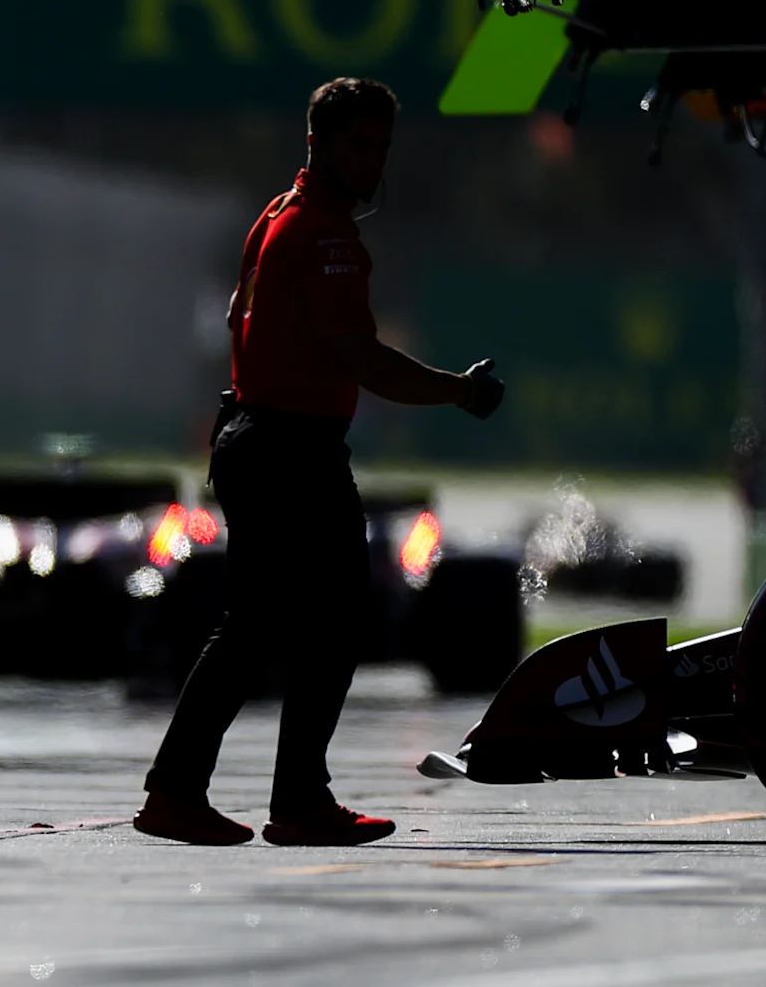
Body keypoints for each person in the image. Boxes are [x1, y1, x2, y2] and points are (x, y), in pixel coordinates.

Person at [137, 78, 505, 847]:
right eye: (358, 147)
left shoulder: (278, 215)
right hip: (288, 451)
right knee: (324, 622)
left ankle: (203, 791)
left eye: (381, 149)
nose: (373, 164)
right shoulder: (327, 237)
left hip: (261, 443)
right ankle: (285, 799)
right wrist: (457, 393)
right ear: (319, 145)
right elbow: (361, 357)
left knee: (272, 624)